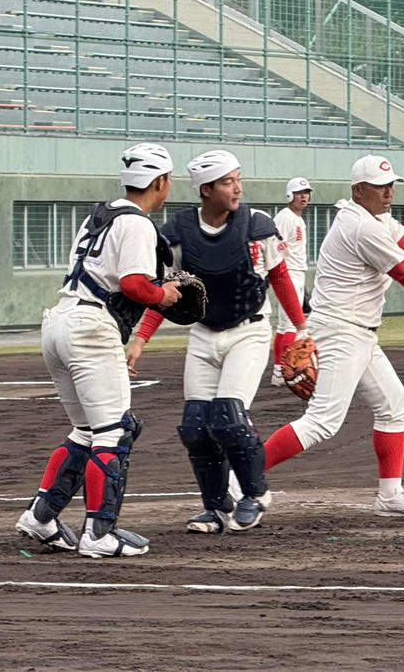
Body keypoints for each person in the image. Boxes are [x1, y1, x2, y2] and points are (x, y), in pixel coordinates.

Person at [257, 154, 404, 517]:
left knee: (394, 407)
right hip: (340, 331)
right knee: (322, 422)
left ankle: (390, 495)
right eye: (381, 187)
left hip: (359, 332)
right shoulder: (359, 226)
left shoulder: (377, 218)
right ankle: (241, 477)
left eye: (391, 185)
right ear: (359, 190)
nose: (389, 192)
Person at [127, 149, 308, 534]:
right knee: (195, 427)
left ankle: (255, 495)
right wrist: (140, 339)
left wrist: (301, 328)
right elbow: (167, 291)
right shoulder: (178, 233)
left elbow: (279, 278)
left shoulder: (256, 225)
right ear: (205, 189)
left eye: (238, 178)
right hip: (203, 333)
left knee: (229, 418)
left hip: (249, 331)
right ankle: (216, 508)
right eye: (228, 182)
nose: (237, 188)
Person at [16, 142, 181, 558]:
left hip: (58, 322)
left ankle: (40, 517)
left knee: (88, 431)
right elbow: (133, 285)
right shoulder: (139, 224)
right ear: (160, 182)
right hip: (90, 327)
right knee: (114, 432)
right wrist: (163, 295)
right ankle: (99, 533)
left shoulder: (99, 215)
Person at [269, 176, 313, 387]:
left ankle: (280, 369)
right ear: (289, 195)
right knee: (289, 324)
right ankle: (281, 370)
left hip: (298, 273)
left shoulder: (298, 218)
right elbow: (276, 244)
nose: (303, 196)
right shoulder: (285, 217)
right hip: (289, 272)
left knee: (286, 325)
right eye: (299, 193)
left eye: (306, 193)